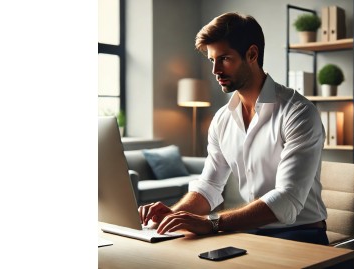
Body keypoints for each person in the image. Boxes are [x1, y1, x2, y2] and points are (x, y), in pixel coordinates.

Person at [139, 12, 329, 245]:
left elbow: (287, 199)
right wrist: (172, 215)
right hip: (249, 233)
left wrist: (212, 223)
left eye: (225, 58)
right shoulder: (222, 119)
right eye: (212, 60)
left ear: (252, 54)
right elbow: (209, 186)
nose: (215, 70)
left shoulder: (298, 113)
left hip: (302, 235)